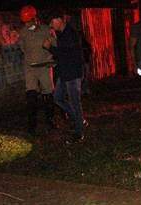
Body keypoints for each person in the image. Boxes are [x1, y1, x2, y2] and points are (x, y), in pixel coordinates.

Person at [43, 12, 85, 144]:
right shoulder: (61, 34)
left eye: (52, 22)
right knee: (57, 98)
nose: (51, 25)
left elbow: (66, 54)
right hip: (65, 72)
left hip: (73, 73)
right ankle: (78, 120)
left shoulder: (70, 33)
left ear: (59, 20)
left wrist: (50, 48)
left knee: (75, 103)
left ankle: (79, 133)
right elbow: (63, 54)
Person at [18, 5, 56, 136]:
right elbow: (23, 48)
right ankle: (32, 125)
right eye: (25, 22)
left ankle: (50, 120)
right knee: (31, 95)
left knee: (48, 94)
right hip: (30, 68)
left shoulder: (46, 30)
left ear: (35, 18)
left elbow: (55, 45)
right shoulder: (23, 32)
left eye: (29, 21)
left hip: (44, 67)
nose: (27, 24)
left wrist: (50, 52)